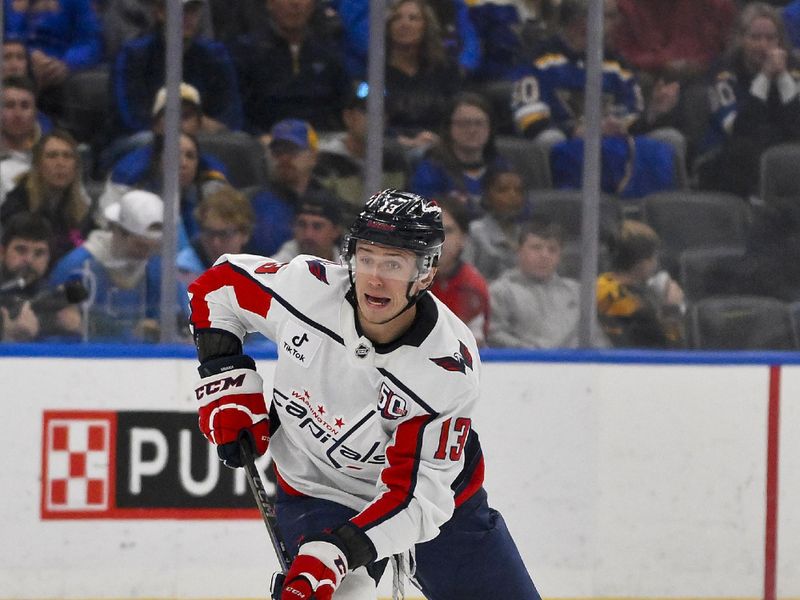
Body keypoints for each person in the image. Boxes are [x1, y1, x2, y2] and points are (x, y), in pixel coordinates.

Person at [187, 188, 541, 600]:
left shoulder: (445, 366)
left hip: (437, 509)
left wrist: (341, 550)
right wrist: (226, 379)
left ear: (425, 273)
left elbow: (414, 497)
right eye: (367, 257)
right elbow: (218, 288)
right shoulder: (307, 291)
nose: (374, 276)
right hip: (318, 488)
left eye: (393, 263)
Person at [700, 2, 800, 199]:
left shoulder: (792, 68)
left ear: (780, 41)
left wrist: (782, 79)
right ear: (741, 39)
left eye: (770, 38)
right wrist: (764, 77)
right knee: (745, 148)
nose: (763, 45)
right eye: (755, 38)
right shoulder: (723, 71)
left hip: (778, 151)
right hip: (726, 157)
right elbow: (739, 128)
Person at [110, 0, 242, 140]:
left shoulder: (215, 54)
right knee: (145, 140)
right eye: (180, 10)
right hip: (142, 143)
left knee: (240, 143)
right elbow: (130, 120)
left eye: (193, 10)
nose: (187, 17)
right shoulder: (132, 55)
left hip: (204, 139)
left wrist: (193, 125)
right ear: (161, 12)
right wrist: (180, 125)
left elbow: (231, 116)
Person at [49, 189, 169, 342]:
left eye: (153, 247)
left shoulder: (156, 267)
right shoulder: (76, 266)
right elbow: (55, 327)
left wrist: (157, 328)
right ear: (117, 231)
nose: (146, 254)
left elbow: (181, 319)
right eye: (140, 246)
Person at [230, 0, 351, 135]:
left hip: (323, 141)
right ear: (270, 3)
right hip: (266, 143)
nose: (295, 3)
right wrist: (259, 138)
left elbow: (343, 104)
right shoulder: (245, 51)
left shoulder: (328, 52)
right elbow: (236, 113)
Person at [488, 217, 607, 348]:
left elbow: (595, 337)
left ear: (560, 255)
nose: (544, 255)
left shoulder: (577, 291)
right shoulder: (500, 291)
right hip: (523, 365)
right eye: (536, 248)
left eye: (552, 250)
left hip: (575, 364)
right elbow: (493, 334)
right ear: (519, 251)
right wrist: (527, 351)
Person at [97, 131, 227, 250]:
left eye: (190, 156)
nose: (183, 163)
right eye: (174, 154)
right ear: (158, 161)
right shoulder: (135, 196)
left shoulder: (205, 197)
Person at [315, 83, 410, 225]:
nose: (375, 119)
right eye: (367, 111)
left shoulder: (395, 161)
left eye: (381, 112)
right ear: (348, 117)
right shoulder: (325, 160)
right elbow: (324, 217)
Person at [410, 91, 509, 218]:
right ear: (449, 128)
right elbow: (423, 214)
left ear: (490, 128)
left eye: (479, 123)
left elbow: (523, 210)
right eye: (464, 123)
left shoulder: (502, 167)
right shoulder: (431, 169)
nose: (472, 130)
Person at [1, 129, 93, 265]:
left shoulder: (78, 210)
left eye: (67, 156)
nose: (60, 163)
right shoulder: (17, 206)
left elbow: (86, 243)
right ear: (38, 165)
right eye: (52, 156)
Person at [383, 0, 464, 155]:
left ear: (426, 27)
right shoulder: (375, 72)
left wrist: (439, 138)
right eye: (396, 18)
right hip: (392, 149)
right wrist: (403, 141)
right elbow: (366, 119)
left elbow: (458, 113)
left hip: (440, 146)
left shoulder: (446, 70)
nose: (404, 24)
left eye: (413, 18)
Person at [247, 119, 331, 257]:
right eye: (278, 152)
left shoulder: (329, 202)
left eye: (293, 151)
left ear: (313, 156)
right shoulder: (253, 202)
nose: (284, 158)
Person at [596, 219, 686, 348]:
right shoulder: (637, 308)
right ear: (642, 264)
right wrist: (672, 309)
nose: (656, 263)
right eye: (653, 257)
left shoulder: (597, 285)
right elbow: (672, 350)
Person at [0, 212, 83, 342]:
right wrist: (6, 337)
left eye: (39, 253)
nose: (29, 260)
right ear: (2, 253)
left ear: (48, 258)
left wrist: (80, 327)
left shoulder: (55, 297)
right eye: (21, 250)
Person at [3, 0, 104, 94]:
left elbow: (90, 42)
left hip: (60, 64)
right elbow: (8, 34)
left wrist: (66, 63)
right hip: (15, 60)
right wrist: (27, 56)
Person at [429, 194, 490, 346]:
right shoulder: (403, 282)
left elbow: (475, 346)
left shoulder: (474, 285)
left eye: (448, 231)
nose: (440, 239)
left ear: (464, 238)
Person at [176, 184, 255, 286]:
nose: (215, 243)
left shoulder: (257, 275)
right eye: (209, 233)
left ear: (245, 234)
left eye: (224, 234)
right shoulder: (180, 272)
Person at [463, 164, 528, 281]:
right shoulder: (474, 232)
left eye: (518, 191)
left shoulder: (527, 235)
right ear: (487, 196)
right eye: (503, 190)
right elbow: (464, 279)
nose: (512, 196)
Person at [0, 76, 49, 203]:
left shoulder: (52, 153)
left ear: (35, 112)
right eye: (9, 105)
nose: (18, 113)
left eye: (25, 106)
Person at [272, 191, 344, 263]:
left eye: (317, 226)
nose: (308, 234)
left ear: (336, 231)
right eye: (302, 225)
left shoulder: (350, 268)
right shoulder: (278, 267)